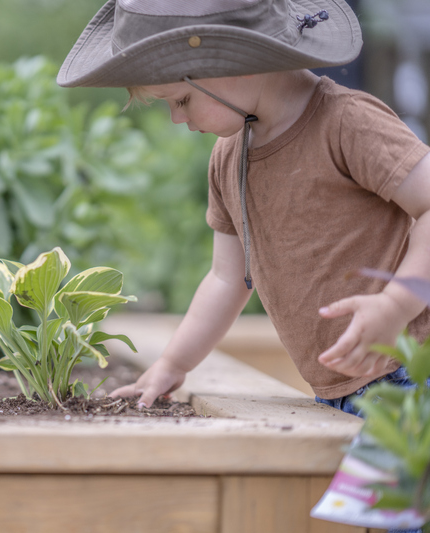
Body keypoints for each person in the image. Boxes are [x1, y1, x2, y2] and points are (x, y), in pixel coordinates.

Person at [58, 2, 430, 530]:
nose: (177, 119)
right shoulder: (229, 158)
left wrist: (396, 305)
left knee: (381, 522)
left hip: (411, 375)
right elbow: (226, 278)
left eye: (182, 99)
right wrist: (173, 366)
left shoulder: (346, 122)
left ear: (233, 64)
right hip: (346, 390)